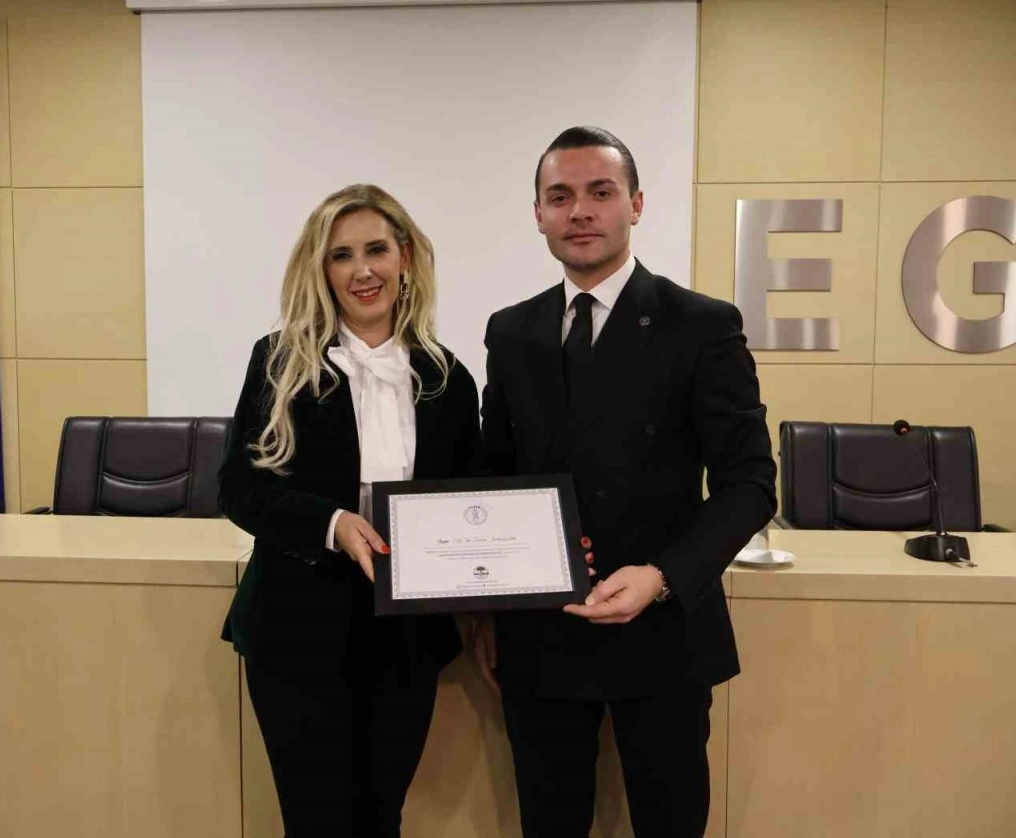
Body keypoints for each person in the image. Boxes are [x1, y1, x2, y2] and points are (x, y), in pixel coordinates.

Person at [475, 126, 777, 838]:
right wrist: (487, 609)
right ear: (538, 214)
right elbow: (497, 480)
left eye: (600, 192)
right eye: (560, 196)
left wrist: (663, 576)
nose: (580, 210)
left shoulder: (701, 325)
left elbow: (750, 482)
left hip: (664, 630)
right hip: (541, 634)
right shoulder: (511, 332)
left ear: (636, 204)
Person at [218, 184, 482, 838]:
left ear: (405, 259)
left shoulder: (448, 378)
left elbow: (470, 503)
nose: (362, 270)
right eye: (341, 255)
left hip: (405, 637)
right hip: (297, 630)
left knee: (381, 818)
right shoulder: (279, 361)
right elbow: (238, 488)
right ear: (322, 270)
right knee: (316, 822)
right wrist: (332, 524)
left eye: (376, 250)